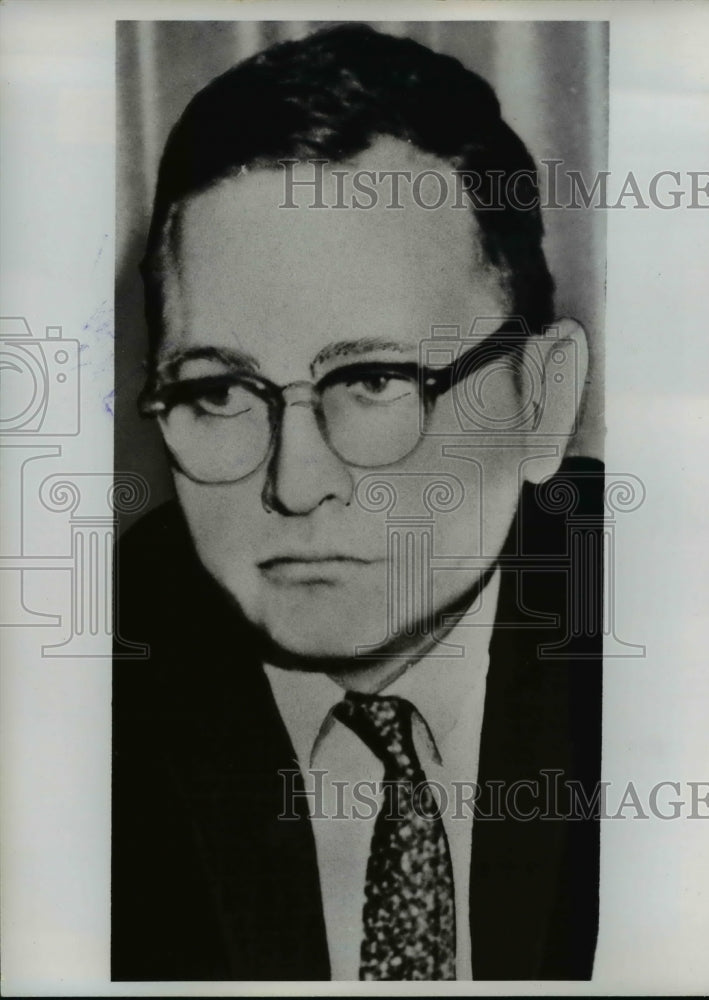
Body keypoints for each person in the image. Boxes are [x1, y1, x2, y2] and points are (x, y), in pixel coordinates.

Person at [112, 23, 603, 982]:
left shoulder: (697, 642)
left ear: (540, 402)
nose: (295, 484)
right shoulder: (71, 691)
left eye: (374, 380)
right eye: (217, 390)